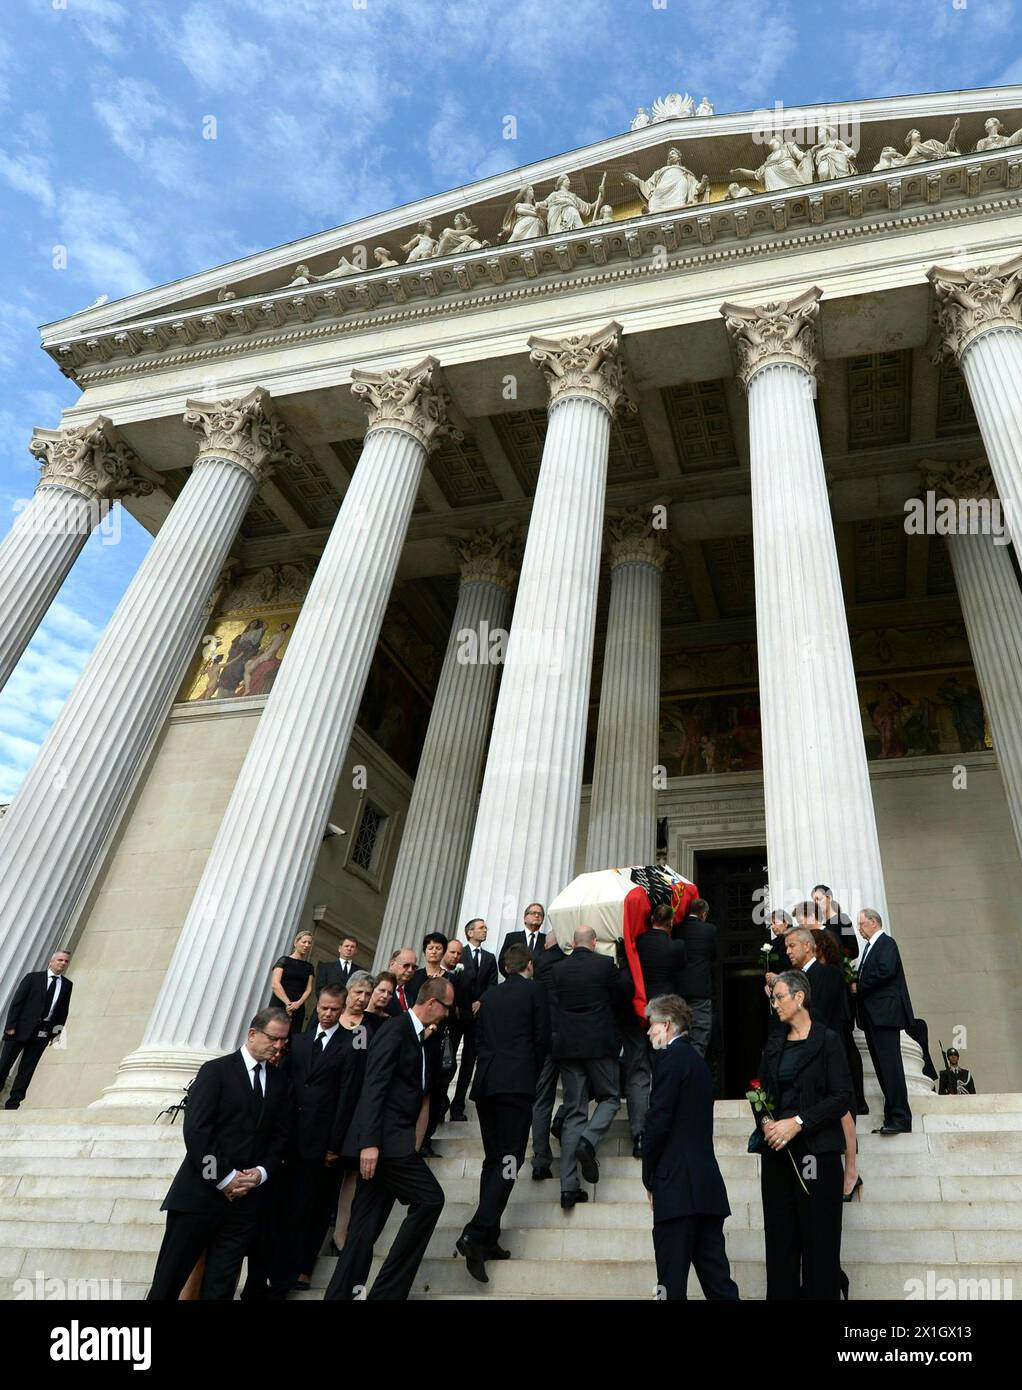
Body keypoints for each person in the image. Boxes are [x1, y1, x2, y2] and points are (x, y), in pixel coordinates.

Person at [148, 1008, 292, 1300]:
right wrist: (224, 1178)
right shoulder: (216, 1070)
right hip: (198, 1198)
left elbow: (280, 1137)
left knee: (220, 1287)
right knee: (168, 1282)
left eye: (283, 1041)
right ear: (253, 1034)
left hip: (244, 1205)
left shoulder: (281, 1082)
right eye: (273, 1039)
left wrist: (261, 1173)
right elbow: (198, 1132)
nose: (278, 1046)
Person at [324, 978, 454, 1301]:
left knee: (363, 1229)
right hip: (385, 1144)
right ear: (433, 1004)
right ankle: (387, 1293)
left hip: (389, 1144)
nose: (448, 1015)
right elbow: (374, 1085)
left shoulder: (422, 1038)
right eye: (447, 1008)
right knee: (430, 1199)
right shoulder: (395, 1030)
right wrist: (369, 1143)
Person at [755, 971, 852, 1301]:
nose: (775, 1003)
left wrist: (797, 1122)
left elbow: (842, 1097)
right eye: (773, 998)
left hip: (817, 1157)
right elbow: (759, 1092)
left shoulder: (828, 1041)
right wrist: (767, 1122)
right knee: (780, 1246)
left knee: (819, 1247)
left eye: (779, 996)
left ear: (799, 998)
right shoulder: (773, 1043)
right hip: (778, 1157)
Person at [456, 945, 550, 1281]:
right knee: (511, 1160)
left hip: (486, 1084)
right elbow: (542, 1040)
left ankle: (488, 1238)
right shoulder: (536, 991)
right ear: (529, 966)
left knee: (494, 1160)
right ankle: (477, 1229)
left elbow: (479, 1040)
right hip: (515, 1085)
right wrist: (530, 1071)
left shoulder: (490, 996)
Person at [644, 995, 739, 1301]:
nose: (648, 1032)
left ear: (667, 1025)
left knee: (670, 1286)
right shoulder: (698, 1062)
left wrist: (650, 1178)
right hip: (706, 1189)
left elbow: (658, 1122)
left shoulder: (670, 1060)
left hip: (676, 1189)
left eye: (652, 1025)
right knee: (720, 1285)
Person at [274, 984, 350, 1294]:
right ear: (317, 1006)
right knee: (288, 1206)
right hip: (290, 1138)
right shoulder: (300, 1041)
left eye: (334, 1009)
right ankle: (279, 1266)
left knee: (315, 1208)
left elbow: (347, 1096)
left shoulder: (350, 1046)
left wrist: (335, 1144)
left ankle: (304, 1267)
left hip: (323, 1144)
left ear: (342, 1009)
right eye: (324, 1008)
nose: (328, 1014)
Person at [550, 928, 632, 1209]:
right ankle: (588, 1141)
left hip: (568, 1047)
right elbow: (622, 995)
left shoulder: (558, 969)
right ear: (594, 943)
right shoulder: (604, 965)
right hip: (599, 1044)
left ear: (572, 943)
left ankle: (568, 1189)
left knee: (574, 1111)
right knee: (610, 1098)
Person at [786, 928, 860, 1201]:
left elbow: (826, 1014)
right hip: (804, 1052)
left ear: (808, 946)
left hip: (827, 1048)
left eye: (792, 946)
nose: (788, 951)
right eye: (786, 947)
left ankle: (851, 1171)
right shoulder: (793, 979)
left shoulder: (828, 974)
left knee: (841, 1109)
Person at [327, 972, 379, 1255]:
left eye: (367, 994)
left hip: (355, 1107)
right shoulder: (329, 1019)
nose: (362, 998)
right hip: (326, 1105)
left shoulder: (372, 1026)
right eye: (358, 992)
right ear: (347, 992)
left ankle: (341, 1233)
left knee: (350, 1174)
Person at [853, 909, 913, 1135]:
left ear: (873, 922)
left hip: (885, 1016)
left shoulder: (887, 943)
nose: (859, 928)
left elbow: (885, 971)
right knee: (883, 1069)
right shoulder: (870, 947)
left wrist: (859, 986)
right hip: (873, 1017)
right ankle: (892, 1116)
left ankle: (901, 1117)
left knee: (891, 1067)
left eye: (861, 924)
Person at [1, 949, 73, 1109]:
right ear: (51, 961)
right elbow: (17, 1002)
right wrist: (10, 1027)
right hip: (19, 1030)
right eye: (60, 960)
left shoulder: (67, 985)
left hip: (42, 1033)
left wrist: (56, 1033)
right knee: (4, 1065)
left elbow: (63, 1011)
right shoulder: (33, 978)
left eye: (66, 961)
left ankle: (13, 1104)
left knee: (27, 1069)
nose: (63, 963)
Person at [814, 928, 867, 1117]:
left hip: (836, 1026)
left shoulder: (830, 973)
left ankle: (856, 1104)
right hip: (838, 1025)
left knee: (840, 1077)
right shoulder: (833, 971)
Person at [448, 918, 497, 1120]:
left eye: (485, 927)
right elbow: (452, 982)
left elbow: (492, 984)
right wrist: (457, 1006)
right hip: (458, 1015)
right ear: (470, 933)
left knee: (469, 1062)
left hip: (477, 1018)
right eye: (481, 928)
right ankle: (442, 1102)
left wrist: (481, 1001)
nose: (485, 930)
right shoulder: (460, 955)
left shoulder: (489, 957)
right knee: (449, 1060)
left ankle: (458, 1107)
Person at [529, 929, 568, 1180]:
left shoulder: (538, 963)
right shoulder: (569, 963)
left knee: (541, 1099)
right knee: (579, 1094)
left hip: (543, 1038)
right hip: (570, 1039)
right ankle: (562, 1119)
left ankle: (541, 1160)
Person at [673, 897, 716, 1059]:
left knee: (679, 1033)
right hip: (700, 988)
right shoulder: (709, 930)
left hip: (679, 989)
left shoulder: (677, 928)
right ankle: (693, 1070)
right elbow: (713, 955)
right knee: (699, 1035)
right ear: (704, 914)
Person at [636, 903, 687, 1001]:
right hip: (667, 999)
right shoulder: (678, 945)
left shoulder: (639, 941)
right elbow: (681, 969)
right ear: (671, 922)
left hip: (644, 996)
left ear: (652, 919)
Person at [268, 930, 315, 1033]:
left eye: (309, 943)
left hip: (298, 1007)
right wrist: (288, 1004)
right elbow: (275, 984)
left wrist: (298, 1004)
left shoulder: (309, 967)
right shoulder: (284, 960)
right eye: (304, 942)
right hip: (279, 1003)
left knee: (292, 1037)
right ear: (296, 942)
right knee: (273, 1032)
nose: (306, 945)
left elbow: (309, 989)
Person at [811, 884, 859, 961]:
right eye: (814, 900)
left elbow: (854, 951)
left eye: (818, 899)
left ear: (829, 898)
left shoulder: (843, 919)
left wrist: (832, 955)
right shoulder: (820, 925)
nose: (816, 903)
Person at [498, 902, 548, 974]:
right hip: (515, 983)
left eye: (540, 914)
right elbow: (502, 962)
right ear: (525, 918)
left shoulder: (547, 940)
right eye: (533, 913)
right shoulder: (512, 937)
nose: (537, 915)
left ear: (543, 920)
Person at [384, 948, 418, 1015]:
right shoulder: (378, 988)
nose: (410, 970)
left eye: (414, 967)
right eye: (406, 965)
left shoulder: (412, 996)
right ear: (392, 964)